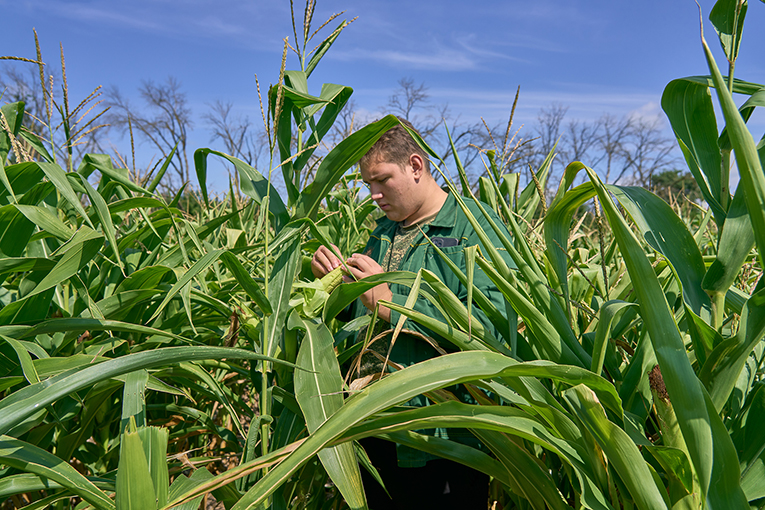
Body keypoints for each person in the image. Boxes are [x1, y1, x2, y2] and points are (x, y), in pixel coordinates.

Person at [311, 118, 514, 509]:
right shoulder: (382, 232)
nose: (373, 194)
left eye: (382, 180)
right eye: (367, 184)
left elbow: (489, 331)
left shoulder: (476, 227)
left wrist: (391, 303)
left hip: (442, 436)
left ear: (416, 166)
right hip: (375, 425)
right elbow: (365, 313)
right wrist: (336, 290)